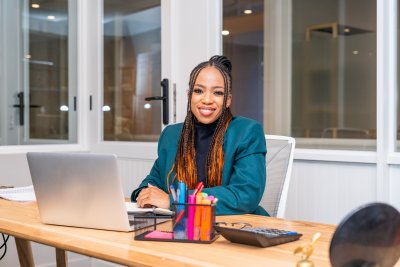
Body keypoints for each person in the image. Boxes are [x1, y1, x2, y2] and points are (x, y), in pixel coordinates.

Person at [131, 55, 268, 216]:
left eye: (217, 93)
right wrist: (144, 194)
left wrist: (175, 201)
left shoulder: (247, 131)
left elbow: (245, 195)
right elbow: (153, 181)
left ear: (228, 100)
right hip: (183, 227)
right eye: (199, 91)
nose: (207, 99)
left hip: (236, 227)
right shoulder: (172, 135)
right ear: (189, 95)